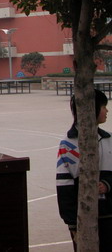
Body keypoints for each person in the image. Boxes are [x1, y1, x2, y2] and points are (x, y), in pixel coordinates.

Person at [56, 89, 112, 251]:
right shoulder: (68, 145)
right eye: (103, 106)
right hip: (84, 219)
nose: (107, 110)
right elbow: (64, 186)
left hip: (109, 215)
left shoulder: (109, 140)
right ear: (90, 108)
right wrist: (72, 223)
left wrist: (107, 184)